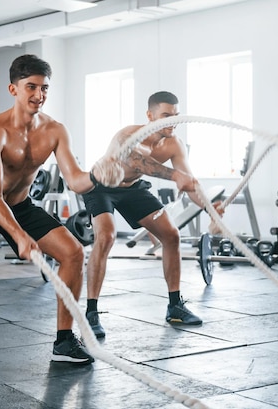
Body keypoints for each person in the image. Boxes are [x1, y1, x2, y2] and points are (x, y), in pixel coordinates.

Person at [0, 54, 131, 379]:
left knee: (74, 253)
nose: (39, 94)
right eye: (31, 87)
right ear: (13, 89)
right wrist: (19, 236)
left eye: (44, 88)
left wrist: (99, 175)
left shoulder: (55, 131)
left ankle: (63, 342)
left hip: (21, 205)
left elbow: (76, 180)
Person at [83, 91, 222, 339]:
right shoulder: (128, 135)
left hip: (133, 190)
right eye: (165, 116)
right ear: (150, 116)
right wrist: (173, 176)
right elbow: (138, 163)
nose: (172, 121)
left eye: (176, 116)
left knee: (171, 235)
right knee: (106, 237)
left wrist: (212, 210)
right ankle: (91, 313)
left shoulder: (174, 145)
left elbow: (191, 183)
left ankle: (175, 306)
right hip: (102, 187)